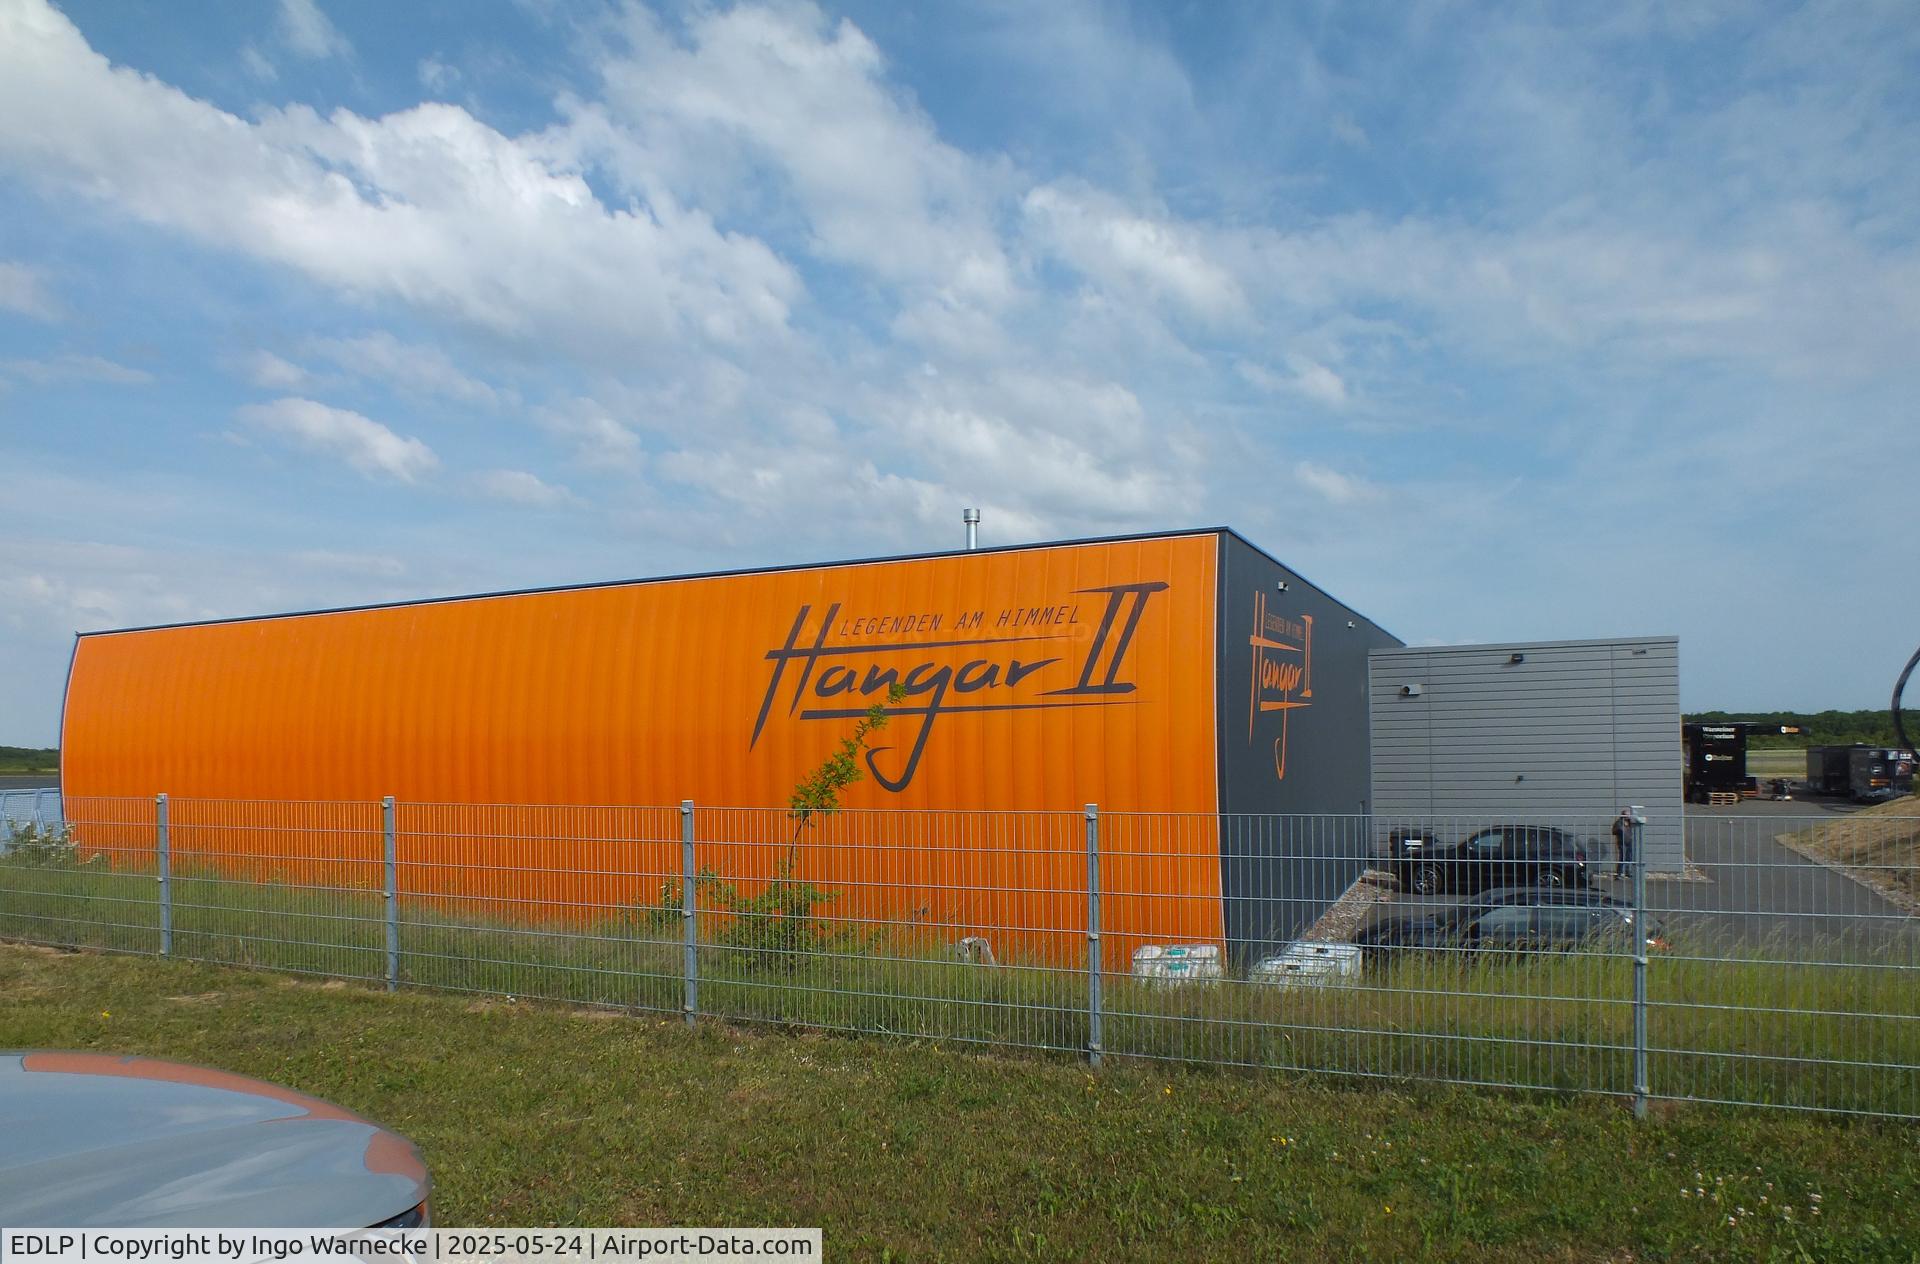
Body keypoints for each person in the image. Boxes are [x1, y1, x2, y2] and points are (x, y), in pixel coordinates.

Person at [1611, 808, 1634, 879]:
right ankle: (1619, 873)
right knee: (1622, 858)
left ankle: (1628, 872)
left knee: (1629, 857)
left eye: (1629, 815)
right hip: (1622, 842)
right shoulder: (1619, 822)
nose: (1628, 816)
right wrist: (1620, 829)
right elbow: (1614, 831)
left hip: (1629, 841)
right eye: (1627, 814)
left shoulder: (1630, 822)